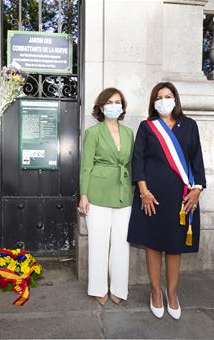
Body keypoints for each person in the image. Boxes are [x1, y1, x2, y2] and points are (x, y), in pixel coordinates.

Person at [127, 82, 206, 319]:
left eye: (168, 96)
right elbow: (137, 161)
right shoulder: (147, 127)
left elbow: (197, 159)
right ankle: (155, 292)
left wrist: (197, 190)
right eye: (159, 97)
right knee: (153, 244)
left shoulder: (189, 125)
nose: (164, 100)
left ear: (176, 99)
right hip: (151, 197)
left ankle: (172, 293)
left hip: (182, 198)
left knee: (174, 246)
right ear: (153, 102)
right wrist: (143, 191)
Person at [78, 87, 134, 305]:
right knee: (99, 243)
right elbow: (86, 166)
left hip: (123, 193)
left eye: (118, 102)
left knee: (121, 244)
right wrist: (84, 195)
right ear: (101, 107)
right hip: (97, 194)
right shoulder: (93, 132)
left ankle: (119, 288)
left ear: (123, 107)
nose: (114, 106)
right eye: (109, 102)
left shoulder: (129, 132)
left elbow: (130, 163)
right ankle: (98, 288)